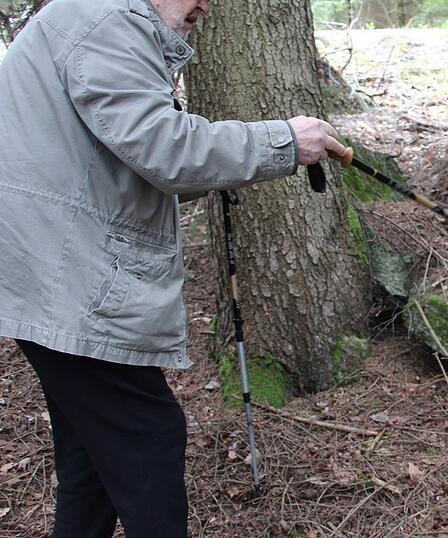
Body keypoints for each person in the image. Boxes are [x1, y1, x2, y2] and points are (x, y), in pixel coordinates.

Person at [0, 0, 345, 535]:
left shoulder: (95, 19)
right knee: (147, 435)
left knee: (89, 461)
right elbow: (166, 150)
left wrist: (226, 166)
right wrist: (281, 141)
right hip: (64, 275)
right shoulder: (107, 21)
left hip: (49, 268)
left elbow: (126, 164)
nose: (205, 5)